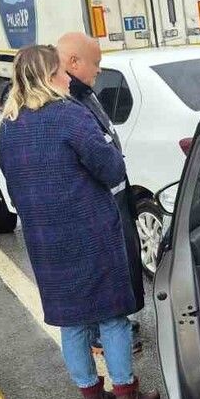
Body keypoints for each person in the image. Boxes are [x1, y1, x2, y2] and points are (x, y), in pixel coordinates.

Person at [0, 45, 159, 399]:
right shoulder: (71, 115)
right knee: (112, 317)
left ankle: (91, 398)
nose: (68, 78)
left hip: (43, 240)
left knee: (72, 322)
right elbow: (111, 169)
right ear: (49, 76)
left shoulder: (9, 126)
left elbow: (14, 183)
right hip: (90, 232)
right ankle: (125, 394)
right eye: (61, 72)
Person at [56, 32, 144, 355]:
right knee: (103, 276)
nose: (98, 71)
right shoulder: (65, 101)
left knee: (125, 264)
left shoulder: (83, 92)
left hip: (115, 196)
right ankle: (101, 335)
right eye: (96, 63)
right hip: (95, 203)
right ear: (73, 61)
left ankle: (110, 326)